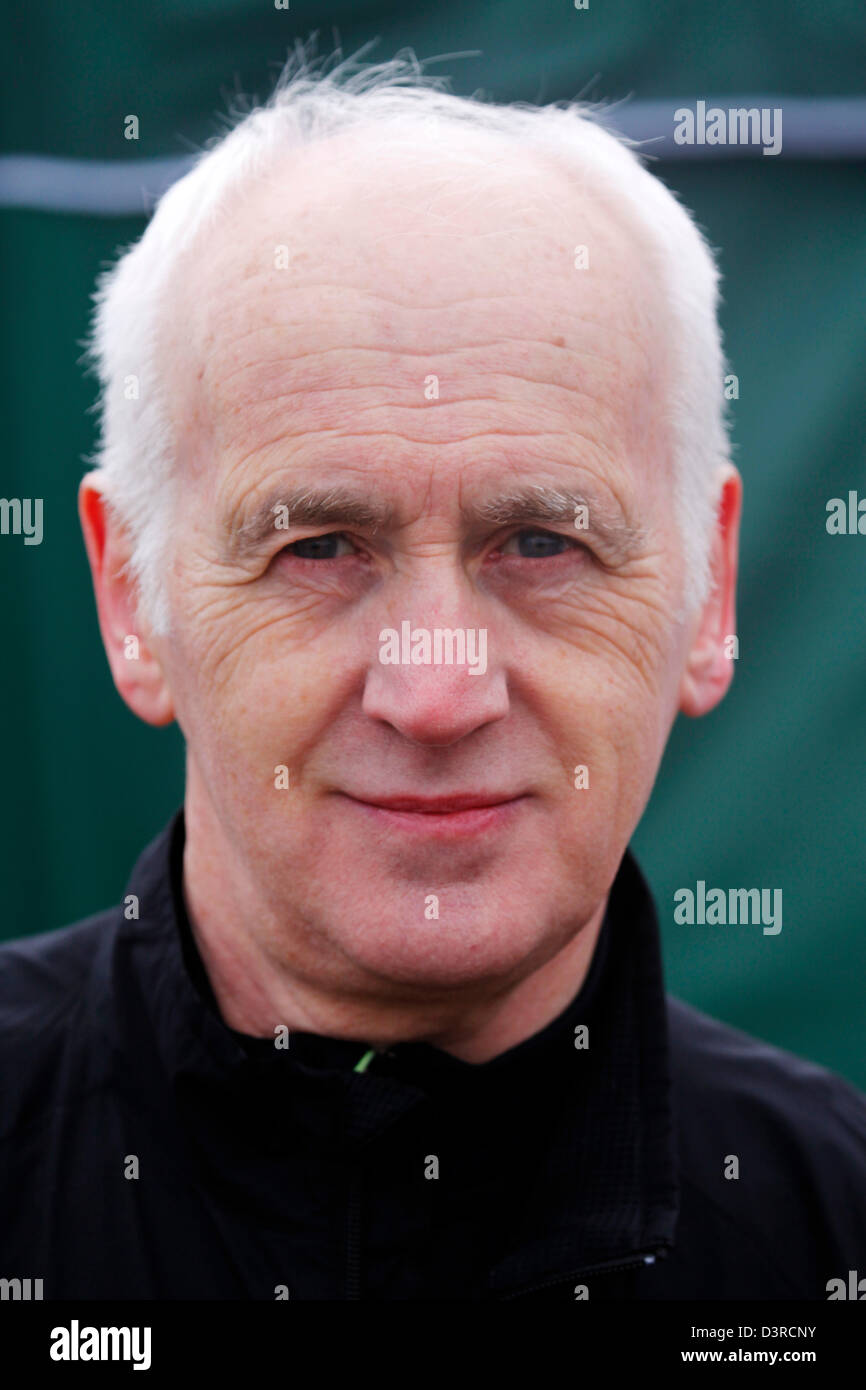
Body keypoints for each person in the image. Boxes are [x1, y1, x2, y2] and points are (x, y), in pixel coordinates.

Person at [1, 49, 863, 1301]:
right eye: (321, 549)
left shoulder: (823, 1234)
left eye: (538, 543)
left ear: (707, 593)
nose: (437, 694)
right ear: (131, 598)